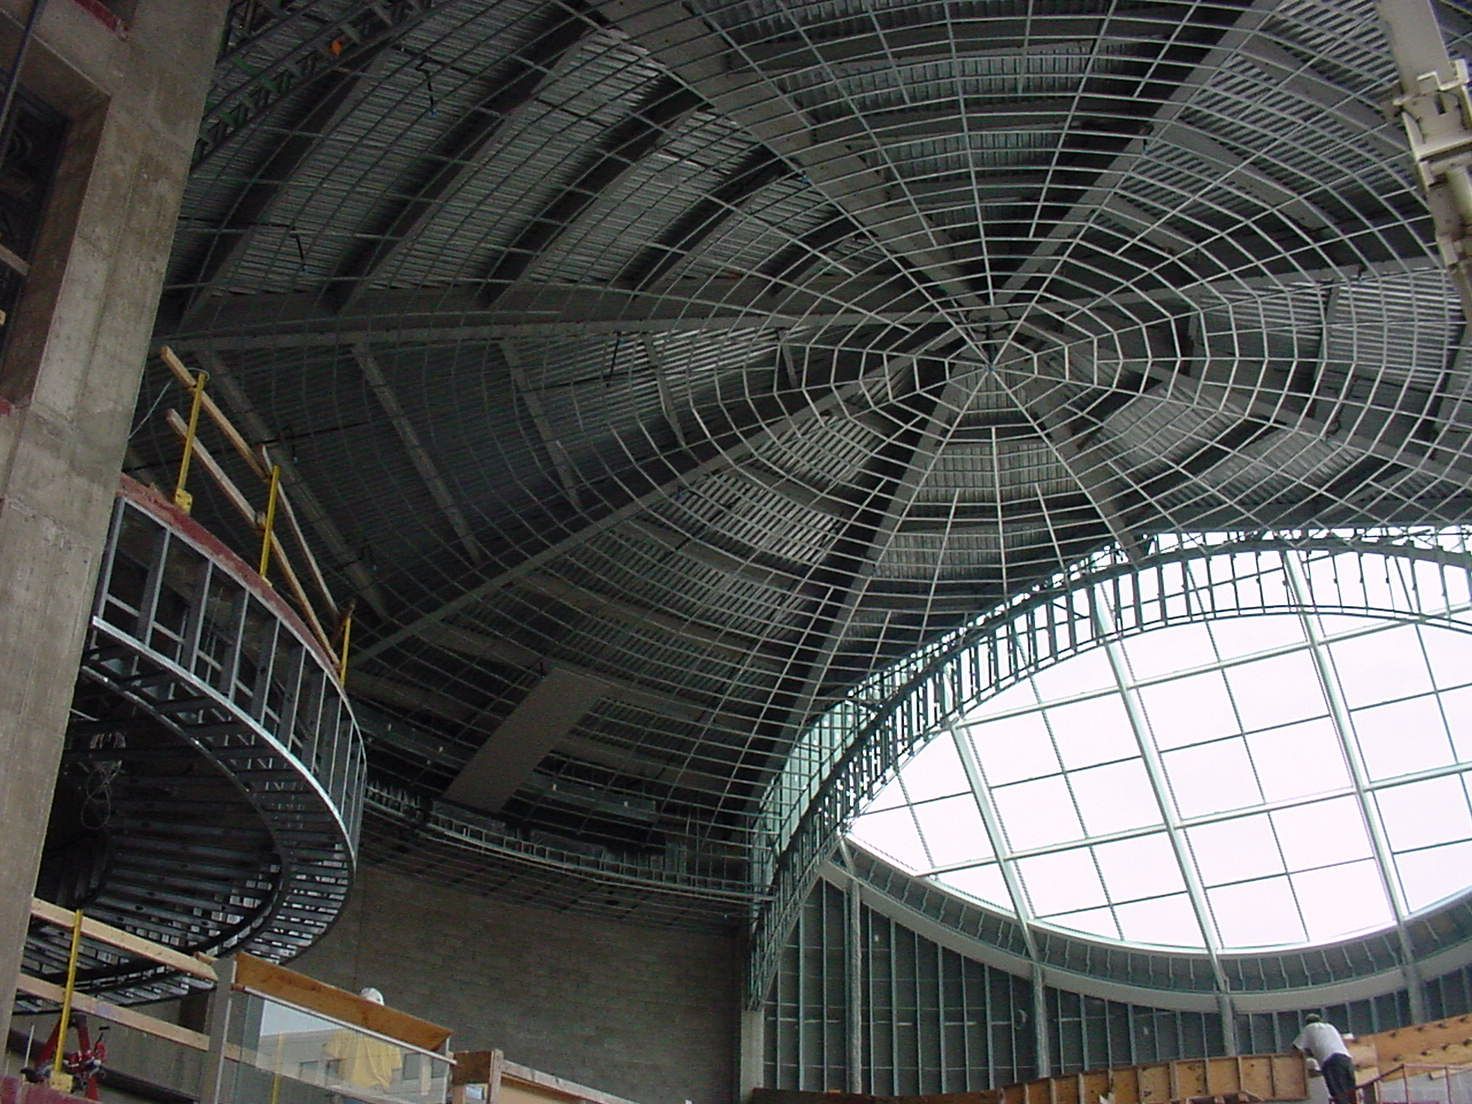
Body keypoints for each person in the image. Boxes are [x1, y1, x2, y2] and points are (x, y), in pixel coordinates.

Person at [1293, 1013, 1357, 1104]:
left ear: (1307, 1023)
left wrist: (1309, 1055)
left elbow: (1296, 1047)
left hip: (1331, 1061)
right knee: (1351, 1093)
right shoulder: (1330, 1027)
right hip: (1346, 1059)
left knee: (1339, 1094)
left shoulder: (1308, 1028)